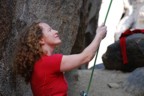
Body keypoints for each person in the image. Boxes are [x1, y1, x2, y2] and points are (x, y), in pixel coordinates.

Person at [13, 21, 107, 96]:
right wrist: (99, 35)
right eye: (50, 30)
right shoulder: (48, 62)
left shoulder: (40, 63)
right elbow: (86, 57)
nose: (56, 31)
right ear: (41, 40)